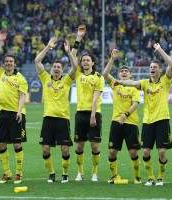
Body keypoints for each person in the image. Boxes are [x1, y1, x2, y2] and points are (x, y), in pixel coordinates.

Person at [113, 43, 172, 186]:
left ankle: (160, 177)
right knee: (146, 152)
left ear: (160, 70)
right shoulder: (145, 83)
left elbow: (171, 63)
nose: (152, 69)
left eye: (154, 67)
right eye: (150, 67)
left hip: (162, 119)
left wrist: (159, 50)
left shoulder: (165, 81)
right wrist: (120, 81)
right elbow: (133, 83)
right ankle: (151, 177)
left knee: (161, 152)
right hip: (147, 121)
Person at [34, 36, 77, 183]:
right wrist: (48, 47)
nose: (56, 68)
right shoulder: (45, 78)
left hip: (63, 119)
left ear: (62, 69)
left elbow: (76, 68)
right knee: (45, 149)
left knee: (65, 149)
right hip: (48, 119)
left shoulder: (66, 80)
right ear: (52, 68)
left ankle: (65, 173)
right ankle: (51, 173)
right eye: (55, 66)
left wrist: (69, 53)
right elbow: (37, 61)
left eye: (59, 67)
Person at [0, 29, 28, 184]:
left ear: (14, 64)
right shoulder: (0, 74)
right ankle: (7, 173)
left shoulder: (21, 78)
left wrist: (19, 112)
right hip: (3, 113)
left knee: (16, 143)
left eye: (10, 62)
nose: (8, 63)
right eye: (6, 61)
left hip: (16, 114)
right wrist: (1, 41)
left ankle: (19, 173)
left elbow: (22, 96)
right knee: (1, 143)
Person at [103, 49, 142, 184]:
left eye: (126, 71)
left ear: (130, 74)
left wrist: (125, 115)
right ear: (119, 74)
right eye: (121, 71)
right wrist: (112, 59)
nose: (124, 73)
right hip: (116, 122)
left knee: (133, 153)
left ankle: (137, 177)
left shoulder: (135, 87)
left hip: (131, 123)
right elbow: (105, 73)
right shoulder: (115, 85)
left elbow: (136, 103)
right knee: (112, 152)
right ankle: (114, 176)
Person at [71, 26, 105, 182]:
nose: (85, 62)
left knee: (95, 146)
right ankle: (80, 172)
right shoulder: (77, 73)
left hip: (94, 113)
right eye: (83, 60)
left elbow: (96, 97)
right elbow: (72, 54)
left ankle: (94, 172)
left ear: (92, 62)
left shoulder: (98, 77)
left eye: (87, 60)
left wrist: (93, 116)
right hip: (80, 113)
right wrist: (78, 38)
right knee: (79, 146)